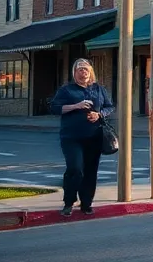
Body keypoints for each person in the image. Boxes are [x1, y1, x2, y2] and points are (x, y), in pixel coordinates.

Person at [49, 58, 115, 217]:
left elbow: (109, 106)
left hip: (94, 136)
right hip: (71, 137)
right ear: (75, 72)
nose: (83, 72)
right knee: (75, 168)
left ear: (91, 72)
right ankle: (68, 202)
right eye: (80, 69)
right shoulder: (67, 90)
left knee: (90, 171)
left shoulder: (98, 89)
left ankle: (86, 203)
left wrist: (99, 114)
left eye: (86, 69)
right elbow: (55, 108)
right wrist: (76, 106)